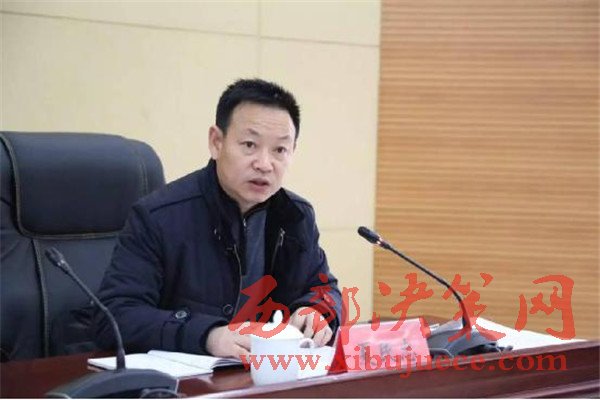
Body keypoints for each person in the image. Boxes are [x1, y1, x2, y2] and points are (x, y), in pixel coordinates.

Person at [94, 78, 342, 360]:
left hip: (267, 373)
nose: (264, 164)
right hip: (186, 379)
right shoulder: (159, 217)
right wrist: (208, 336)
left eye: (280, 150)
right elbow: (115, 316)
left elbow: (324, 288)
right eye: (249, 144)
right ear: (216, 142)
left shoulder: (294, 216)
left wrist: (318, 310)